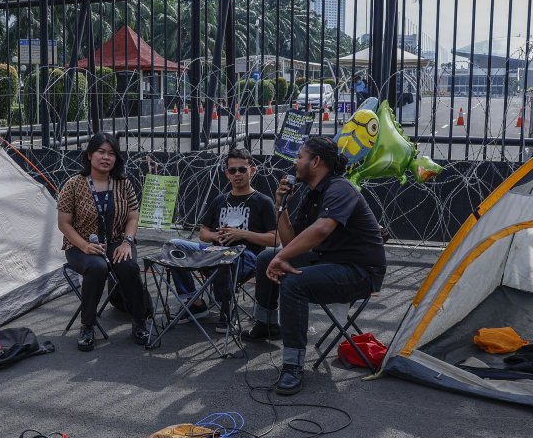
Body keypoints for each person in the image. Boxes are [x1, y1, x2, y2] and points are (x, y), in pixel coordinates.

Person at [247, 136, 386, 396]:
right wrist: (281, 206)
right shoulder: (312, 195)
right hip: (328, 260)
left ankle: (293, 366)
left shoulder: (340, 188)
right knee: (266, 256)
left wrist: (282, 258)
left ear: (316, 161)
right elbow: (292, 242)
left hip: (359, 271)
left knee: (294, 282)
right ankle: (266, 324)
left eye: (300, 157)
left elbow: (321, 229)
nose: (295, 162)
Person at [56, 133, 152, 351]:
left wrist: (127, 242)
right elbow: (64, 224)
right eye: (101, 152)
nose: (106, 157)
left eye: (111, 153)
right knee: (97, 267)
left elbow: (133, 217)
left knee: (128, 265)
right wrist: (84, 246)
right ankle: (87, 325)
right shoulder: (73, 185)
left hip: (117, 241)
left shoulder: (123, 184)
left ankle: (139, 321)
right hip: (80, 245)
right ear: (90, 155)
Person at [168, 148, 278, 330]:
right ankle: (195, 303)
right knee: (174, 246)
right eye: (232, 170)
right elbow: (203, 232)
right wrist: (215, 235)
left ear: (252, 170)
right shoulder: (220, 200)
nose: (237, 174)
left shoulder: (263, 201)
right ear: (227, 174)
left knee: (227, 259)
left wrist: (242, 234)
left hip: (245, 256)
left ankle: (226, 307)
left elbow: (275, 239)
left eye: (242, 169)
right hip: (215, 251)